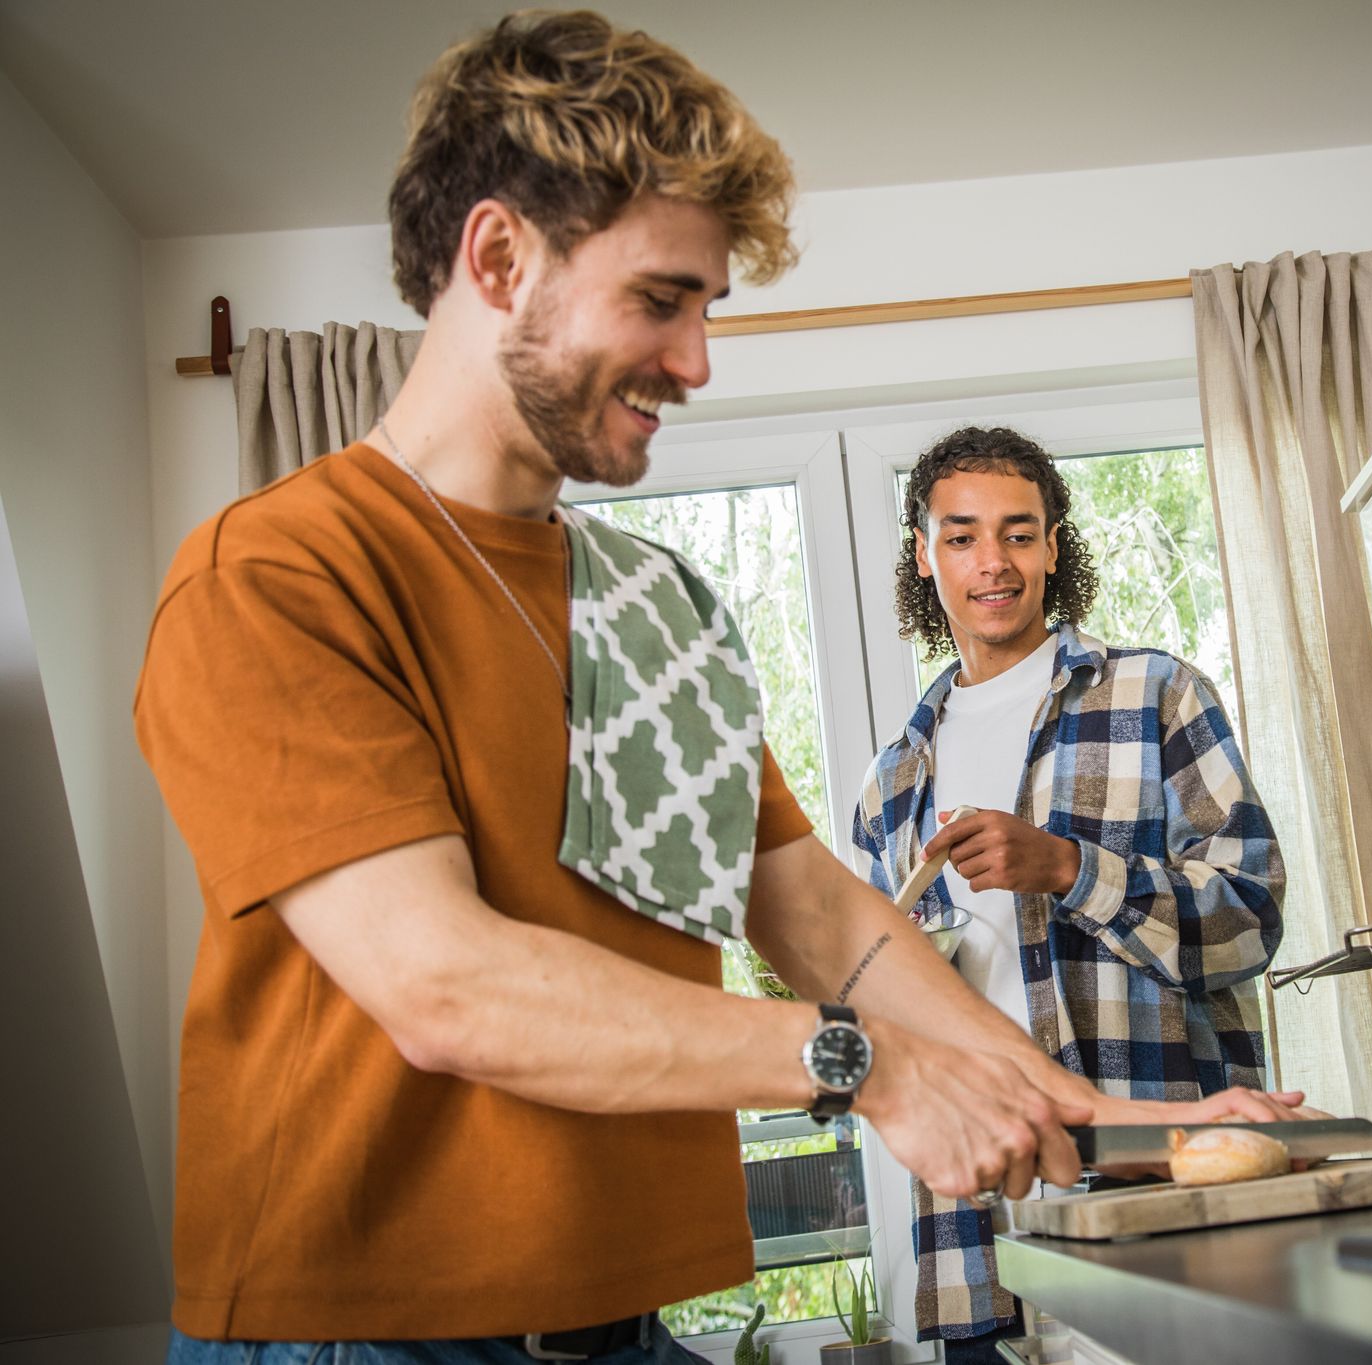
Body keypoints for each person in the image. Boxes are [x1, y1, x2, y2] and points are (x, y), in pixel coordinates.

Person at [133, 14, 1304, 1364]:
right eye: (660, 299)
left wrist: (1099, 1109)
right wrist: (867, 1068)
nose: (696, 363)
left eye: (705, 310)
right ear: (500, 256)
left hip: (621, 1324)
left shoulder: (659, 602)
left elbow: (813, 910)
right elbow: (444, 985)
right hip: (356, 1336)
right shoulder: (281, 570)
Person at [851, 426, 1287, 1359]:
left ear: (1054, 547)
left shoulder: (1156, 694)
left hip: (1161, 1194)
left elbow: (1251, 920)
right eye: (961, 536)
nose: (993, 562)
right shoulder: (891, 786)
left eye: (1019, 531)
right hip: (979, 1223)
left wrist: (1067, 869)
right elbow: (884, 999)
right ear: (924, 558)